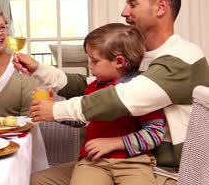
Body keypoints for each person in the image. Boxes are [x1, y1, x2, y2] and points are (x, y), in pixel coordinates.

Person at [14, 0, 209, 185]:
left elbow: (118, 98)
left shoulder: (182, 57)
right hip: (108, 160)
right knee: (36, 181)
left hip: (161, 168)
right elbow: (89, 86)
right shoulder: (139, 57)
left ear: (161, 7)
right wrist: (40, 70)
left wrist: (55, 111)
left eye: (133, 4)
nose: (124, 12)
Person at [68, 23, 164, 184]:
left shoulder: (142, 90)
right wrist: (53, 112)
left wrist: (113, 143)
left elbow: (154, 135)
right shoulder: (93, 87)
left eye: (94, 61)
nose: (89, 66)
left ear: (119, 62)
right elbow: (80, 119)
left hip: (134, 162)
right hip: (93, 162)